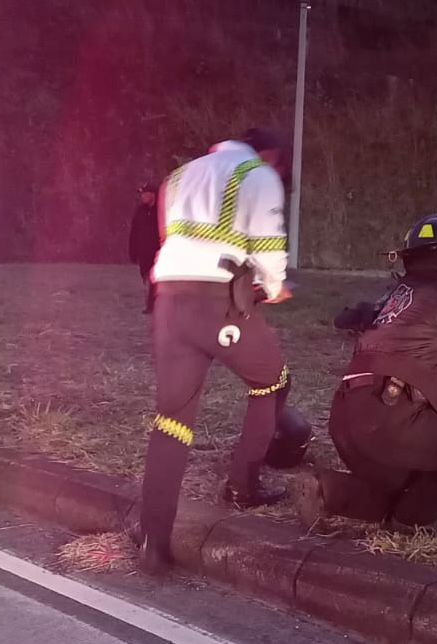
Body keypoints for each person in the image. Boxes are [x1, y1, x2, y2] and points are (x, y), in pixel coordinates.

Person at [291, 213, 437, 530]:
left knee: (411, 485)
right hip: (393, 428)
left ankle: (328, 491)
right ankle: (411, 521)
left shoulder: (392, 297)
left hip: (348, 425)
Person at [134, 128, 293, 574]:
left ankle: (153, 540)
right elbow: (267, 242)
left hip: (168, 298)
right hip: (215, 301)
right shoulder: (258, 173)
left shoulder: (179, 176)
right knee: (271, 379)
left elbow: (169, 236)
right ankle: (243, 485)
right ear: (270, 153)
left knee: (171, 420)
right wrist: (276, 286)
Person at [128, 183, 162, 314]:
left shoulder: (160, 211)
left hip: (157, 251)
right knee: (146, 278)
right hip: (143, 252)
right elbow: (134, 232)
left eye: (144, 193)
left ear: (152, 194)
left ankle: (152, 305)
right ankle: (150, 304)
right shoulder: (140, 211)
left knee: (155, 279)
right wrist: (133, 251)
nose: (142, 196)